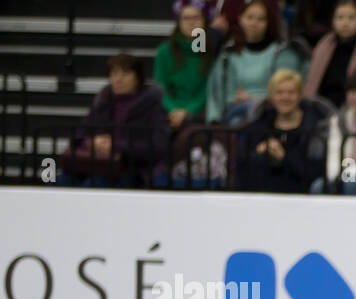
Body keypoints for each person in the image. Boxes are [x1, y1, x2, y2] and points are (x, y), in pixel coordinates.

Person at [60, 54, 171, 188]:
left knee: (96, 184)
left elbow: (159, 146)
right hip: (95, 165)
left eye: (125, 74)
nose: (118, 79)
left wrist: (116, 146)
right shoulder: (102, 103)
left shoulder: (153, 106)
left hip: (133, 169)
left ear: (138, 78)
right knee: (59, 181)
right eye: (114, 74)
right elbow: (78, 135)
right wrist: (91, 142)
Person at [206, 0, 303, 124]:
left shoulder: (282, 53)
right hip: (235, 113)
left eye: (260, 19)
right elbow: (220, 92)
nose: (254, 23)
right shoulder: (228, 53)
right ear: (240, 19)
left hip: (273, 113)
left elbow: (289, 92)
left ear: (268, 22)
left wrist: (254, 101)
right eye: (249, 17)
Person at [238, 69, 332, 192]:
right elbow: (241, 166)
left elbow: (316, 171)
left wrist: (284, 157)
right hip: (263, 195)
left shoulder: (316, 126)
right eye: (279, 92)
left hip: (301, 194)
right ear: (271, 96)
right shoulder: (259, 124)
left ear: (299, 96)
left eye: (291, 92)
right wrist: (259, 152)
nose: (285, 97)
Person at [303, 0, 356, 108]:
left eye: (351, 18)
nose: (345, 23)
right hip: (320, 103)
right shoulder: (324, 44)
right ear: (333, 21)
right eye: (340, 18)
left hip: (351, 105)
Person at [154, 3, 219, 131]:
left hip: (200, 111)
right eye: (186, 18)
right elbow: (161, 88)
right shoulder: (164, 51)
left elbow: (209, 89)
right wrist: (174, 110)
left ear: (205, 20)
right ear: (179, 21)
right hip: (170, 111)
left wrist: (188, 112)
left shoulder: (212, 50)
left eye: (196, 18)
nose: (191, 22)